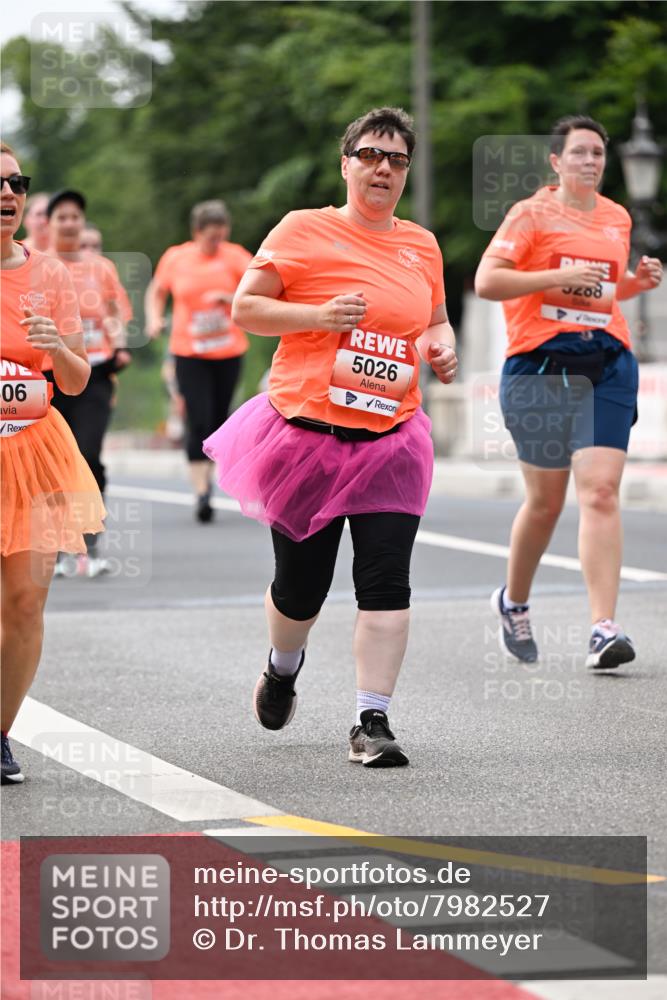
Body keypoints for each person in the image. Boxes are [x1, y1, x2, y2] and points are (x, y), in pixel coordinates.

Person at [204, 107, 457, 767]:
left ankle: (370, 721)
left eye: (396, 159)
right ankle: (282, 668)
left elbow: (434, 318)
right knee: (300, 588)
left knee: (385, 580)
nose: (383, 168)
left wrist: (440, 347)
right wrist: (315, 314)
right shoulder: (302, 229)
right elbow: (246, 309)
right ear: (346, 163)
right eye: (370, 154)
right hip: (305, 436)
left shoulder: (421, 244)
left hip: (390, 438)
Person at [475, 115, 663, 670]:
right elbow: (488, 281)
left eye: (598, 154)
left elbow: (602, 292)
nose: (590, 161)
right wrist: (550, 279)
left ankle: (603, 628)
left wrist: (636, 283)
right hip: (540, 366)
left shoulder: (616, 217)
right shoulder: (531, 214)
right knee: (547, 502)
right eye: (579, 152)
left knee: (601, 492)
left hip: (607, 361)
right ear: (556, 162)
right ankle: (513, 602)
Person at [0, 143, 105, 784]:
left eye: (15, 183)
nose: (6, 195)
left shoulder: (50, 276)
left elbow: (76, 379)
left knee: (24, 604)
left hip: (35, 453)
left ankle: (0, 733)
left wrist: (54, 349)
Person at [145, 201, 251, 521]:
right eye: (210, 238)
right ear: (196, 232)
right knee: (198, 418)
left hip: (228, 351)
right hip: (189, 352)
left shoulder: (235, 257)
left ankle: (209, 481)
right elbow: (156, 291)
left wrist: (229, 298)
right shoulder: (176, 258)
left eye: (221, 237)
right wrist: (153, 319)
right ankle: (202, 492)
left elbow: (258, 294)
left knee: (219, 419)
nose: (216, 244)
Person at [45, 190, 131, 578]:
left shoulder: (100, 268)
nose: (69, 223)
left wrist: (121, 345)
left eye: (75, 217)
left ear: (83, 223)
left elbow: (114, 312)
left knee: (88, 454)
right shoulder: (38, 266)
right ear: (49, 223)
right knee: (53, 461)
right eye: (61, 217)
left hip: (93, 371)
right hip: (46, 377)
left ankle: (90, 546)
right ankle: (61, 548)